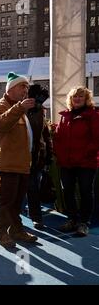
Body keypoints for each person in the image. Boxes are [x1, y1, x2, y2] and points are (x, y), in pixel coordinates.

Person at [0, 72, 38, 248]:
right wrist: (20, 108)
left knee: (17, 200)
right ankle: (1, 232)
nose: (26, 89)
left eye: (26, 86)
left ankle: (16, 230)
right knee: (4, 199)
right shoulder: (0, 105)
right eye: (22, 86)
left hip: (22, 162)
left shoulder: (21, 108)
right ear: (11, 89)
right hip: (8, 161)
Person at [53, 86, 99, 236]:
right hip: (67, 163)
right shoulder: (64, 116)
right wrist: (59, 155)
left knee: (86, 191)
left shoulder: (92, 115)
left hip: (86, 162)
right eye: (75, 97)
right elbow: (58, 138)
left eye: (81, 96)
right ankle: (72, 219)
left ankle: (84, 223)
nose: (77, 99)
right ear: (70, 100)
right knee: (68, 192)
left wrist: (86, 154)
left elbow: (96, 138)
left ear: (86, 99)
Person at [25, 102, 53, 230]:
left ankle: (36, 217)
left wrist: (48, 156)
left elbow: (46, 135)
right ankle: (17, 218)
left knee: (33, 188)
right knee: (21, 188)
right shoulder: (18, 110)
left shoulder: (39, 113)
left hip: (36, 157)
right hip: (20, 156)